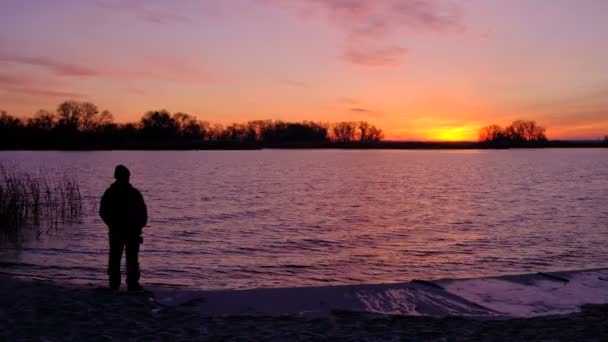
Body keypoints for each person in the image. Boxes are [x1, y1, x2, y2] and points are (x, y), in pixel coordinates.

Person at [99, 165, 148, 291]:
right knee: (119, 258)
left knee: (128, 258)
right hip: (119, 231)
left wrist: (138, 226)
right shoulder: (113, 193)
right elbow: (103, 212)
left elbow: (143, 213)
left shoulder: (130, 193)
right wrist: (112, 224)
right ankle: (117, 283)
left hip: (129, 231)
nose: (126, 178)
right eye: (125, 176)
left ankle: (129, 283)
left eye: (126, 176)